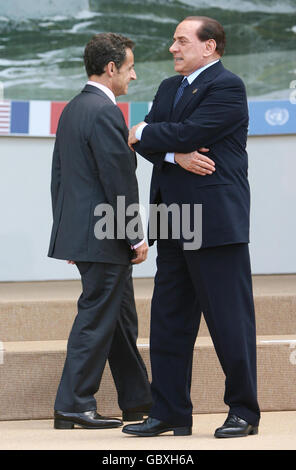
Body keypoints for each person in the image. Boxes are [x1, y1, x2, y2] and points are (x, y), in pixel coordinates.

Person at [122, 16, 260, 438]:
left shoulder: (227, 86)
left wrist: (149, 132)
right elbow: (144, 142)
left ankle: (243, 412)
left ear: (210, 46)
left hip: (215, 221)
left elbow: (191, 130)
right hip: (172, 219)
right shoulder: (167, 88)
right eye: (174, 40)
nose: (172, 48)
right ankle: (170, 413)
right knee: (168, 320)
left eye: (181, 41)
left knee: (229, 322)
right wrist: (173, 156)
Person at [48, 33, 152, 430]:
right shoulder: (105, 112)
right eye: (129, 68)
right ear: (111, 69)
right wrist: (136, 236)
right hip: (106, 237)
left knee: (120, 320)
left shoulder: (74, 108)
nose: (133, 75)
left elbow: (60, 179)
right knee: (96, 319)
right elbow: (118, 181)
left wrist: (70, 235)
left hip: (87, 235)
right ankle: (74, 403)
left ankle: (138, 401)